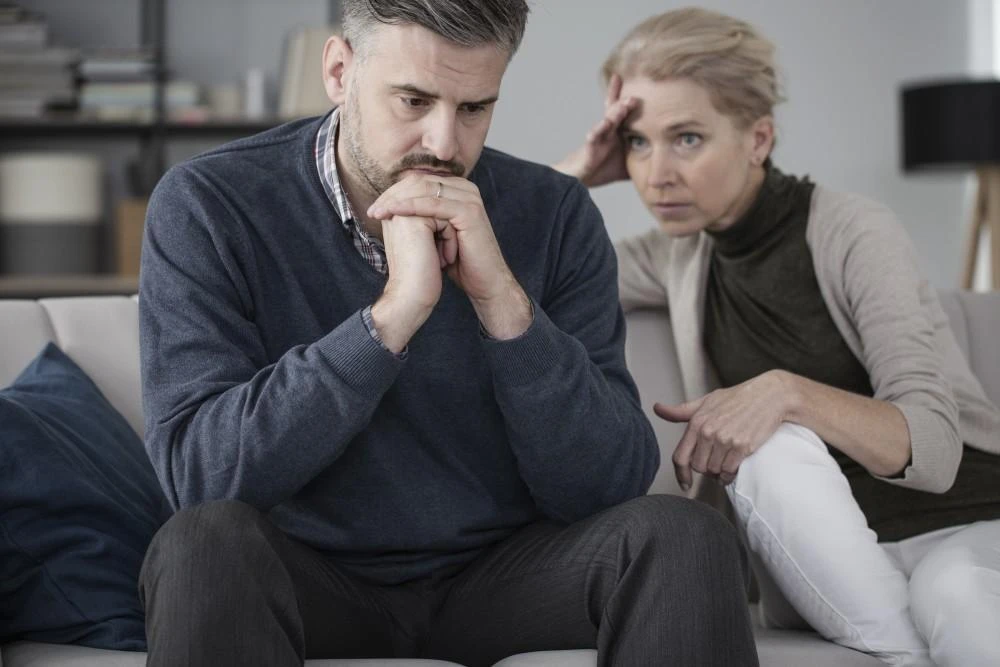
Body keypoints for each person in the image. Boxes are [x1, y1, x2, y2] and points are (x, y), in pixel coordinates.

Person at [137, 2, 760, 666]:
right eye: (413, 99)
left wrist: (505, 306)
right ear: (340, 71)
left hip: (507, 577)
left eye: (474, 109)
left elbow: (609, 482)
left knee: (686, 536)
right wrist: (391, 318)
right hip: (309, 576)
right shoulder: (208, 203)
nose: (443, 142)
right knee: (201, 542)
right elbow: (200, 476)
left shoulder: (555, 214)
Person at [554, 7, 1000, 667]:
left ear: (758, 138)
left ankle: (904, 653)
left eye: (686, 138)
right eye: (638, 143)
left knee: (960, 597)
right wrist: (577, 174)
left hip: (961, 524)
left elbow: (933, 449)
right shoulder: (673, 257)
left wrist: (787, 392)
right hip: (828, 565)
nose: (655, 174)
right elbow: (515, 266)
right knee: (765, 444)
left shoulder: (854, 231)